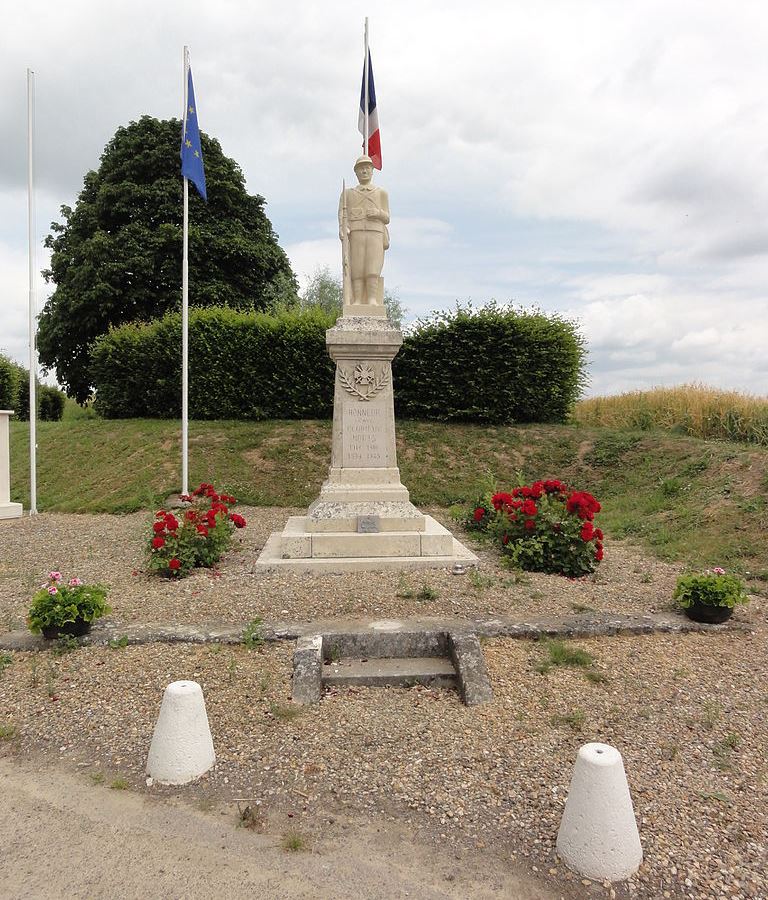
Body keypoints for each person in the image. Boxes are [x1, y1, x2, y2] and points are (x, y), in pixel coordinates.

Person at [339, 156, 390, 305]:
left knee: (372, 267)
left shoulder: (381, 193)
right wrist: (343, 228)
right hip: (356, 233)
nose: (364, 171)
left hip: (376, 233)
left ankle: (372, 299)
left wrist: (378, 213)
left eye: (367, 168)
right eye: (361, 169)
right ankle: (358, 300)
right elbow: (342, 215)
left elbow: (387, 217)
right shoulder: (348, 193)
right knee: (357, 267)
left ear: (372, 170)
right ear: (356, 172)